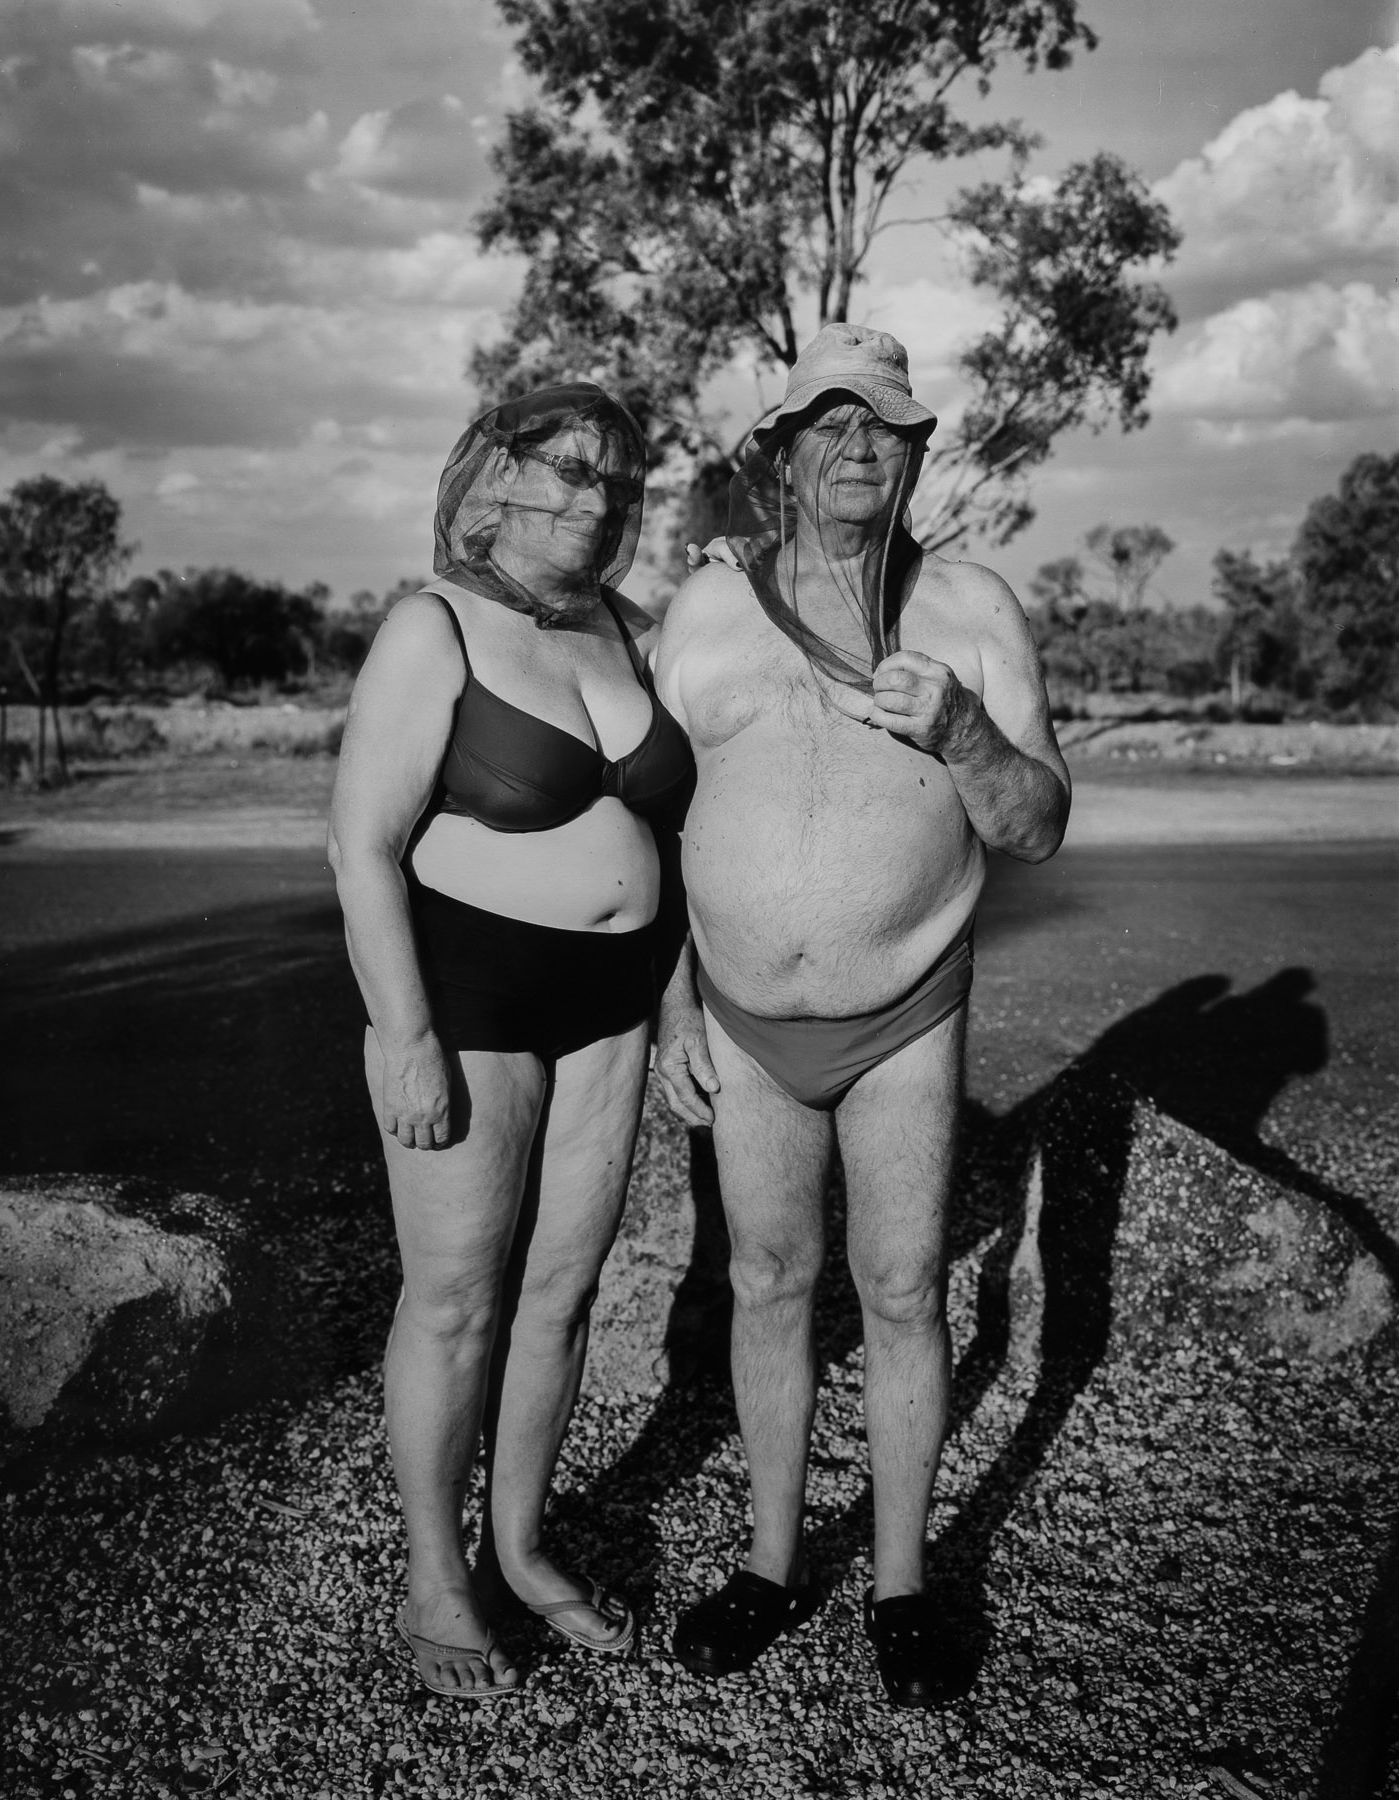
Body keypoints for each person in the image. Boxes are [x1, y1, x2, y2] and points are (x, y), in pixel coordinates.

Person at [652, 323, 1069, 1707]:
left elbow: (1039, 828)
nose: (854, 446)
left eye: (881, 426)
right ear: (778, 454)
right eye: (825, 424)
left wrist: (961, 732)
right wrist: (669, 1009)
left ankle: (899, 1584)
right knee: (766, 1283)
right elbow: (652, 826)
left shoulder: (975, 610)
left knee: (899, 1292)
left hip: (906, 1015)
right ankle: (772, 1564)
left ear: (915, 452)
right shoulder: (705, 610)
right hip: (742, 1019)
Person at [327, 383, 695, 1700]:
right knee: (457, 1300)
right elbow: (361, 847)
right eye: (572, 468)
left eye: (620, 478)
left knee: (562, 1297)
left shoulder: (623, 629)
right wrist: (404, 1035)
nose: (598, 497)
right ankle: (439, 1581)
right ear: (497, 473)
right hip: (469, 998)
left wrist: (680, 998)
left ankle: (524, 1548)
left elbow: (667, 833)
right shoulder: (434, 629)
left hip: (613, 1007)